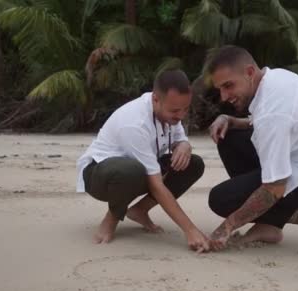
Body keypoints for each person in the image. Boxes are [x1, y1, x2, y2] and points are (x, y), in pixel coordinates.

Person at [205, 46, 298, 258]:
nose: (224, 96)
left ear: (249, 72)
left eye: (229, 86)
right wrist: (230, 120)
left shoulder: (272, 111)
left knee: (221, 200)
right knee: (230, 137)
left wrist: (227, 227)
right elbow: (267, 123)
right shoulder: (274, 79)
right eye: (220, 88)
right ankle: (269, 226)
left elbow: (274, 187)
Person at [76, 69, 211, 252]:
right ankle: (112, 217)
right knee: (132, 170)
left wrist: (184, 145)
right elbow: (156, 184)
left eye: (185, 109)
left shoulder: (170, 110)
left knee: (193, 164)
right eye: (175, 110)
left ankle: (139, 211)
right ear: (156, 99)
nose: (181, 115)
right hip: (100, 175)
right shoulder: (135, 123)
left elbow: (180, 139)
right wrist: (190, 231)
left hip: (138, 171)